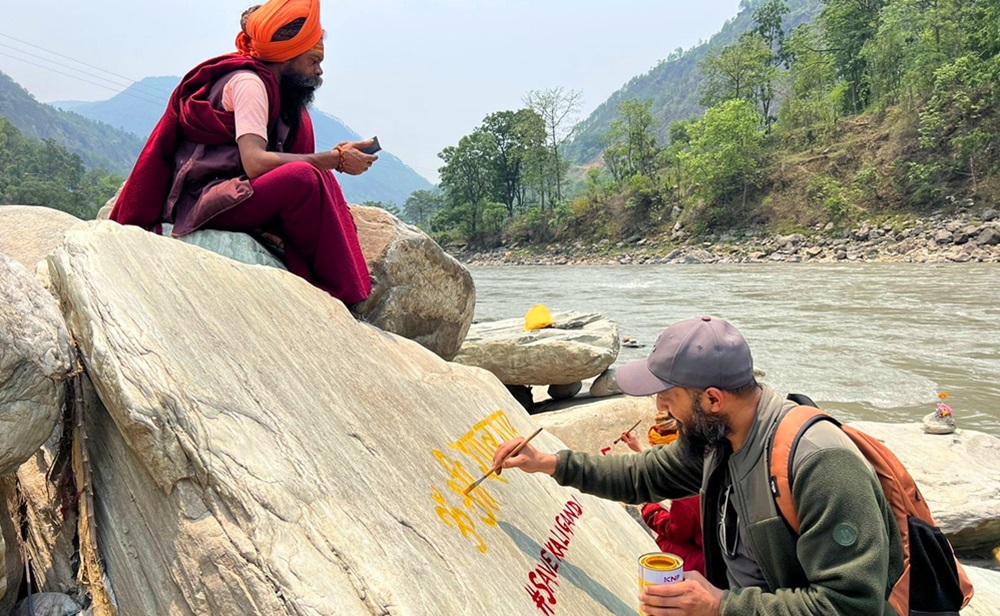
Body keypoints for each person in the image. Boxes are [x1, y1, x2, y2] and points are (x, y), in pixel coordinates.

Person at [494, 316, 902, 615]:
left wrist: (721, 606)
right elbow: (643, 475)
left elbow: (851, 606)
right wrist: (549, 462)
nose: (659, 408)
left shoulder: (818, 463)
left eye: (668, 397)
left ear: (711, 399)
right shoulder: (720, 439)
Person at [109, 0, 375, 304]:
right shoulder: (250, 84)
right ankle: (336, 290)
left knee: (320, 178)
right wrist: (333, 160)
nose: (320, 70)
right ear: (287, 53)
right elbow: (255, 163)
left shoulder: (275, 89)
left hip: (233, 191)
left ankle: (349, 282)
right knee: (304, 177)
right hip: (207, 199)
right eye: (313, 60)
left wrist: (332, 160)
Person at [620, 419, 706, 577]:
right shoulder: (709, 461)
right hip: (732, 551)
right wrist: (640, 449)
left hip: (718, 562)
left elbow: (677, 532)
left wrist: (651, 509)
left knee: (665, 543)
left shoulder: (688, 492)